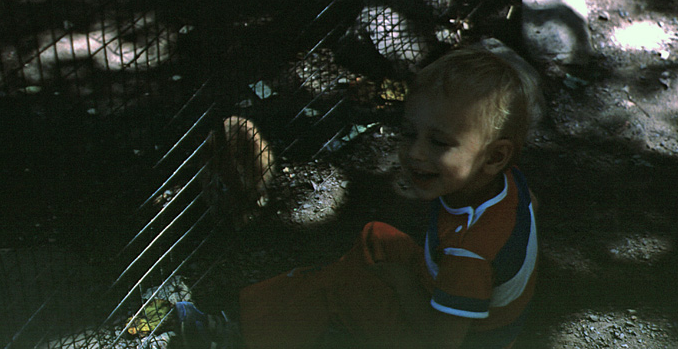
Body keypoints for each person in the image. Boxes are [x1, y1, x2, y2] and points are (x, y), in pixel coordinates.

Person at [180, 46, 540, 349]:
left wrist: (402, 285)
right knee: (376, 237)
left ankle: (233, 334)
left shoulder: (468, 253)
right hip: (467, 310)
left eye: (439, 143)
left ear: (494, 156)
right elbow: (530, 209)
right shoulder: (507, 182)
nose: (414, 153)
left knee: (340, 285)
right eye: (409, 133)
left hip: (459, 338)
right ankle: (320, 318)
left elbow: (441, 339)